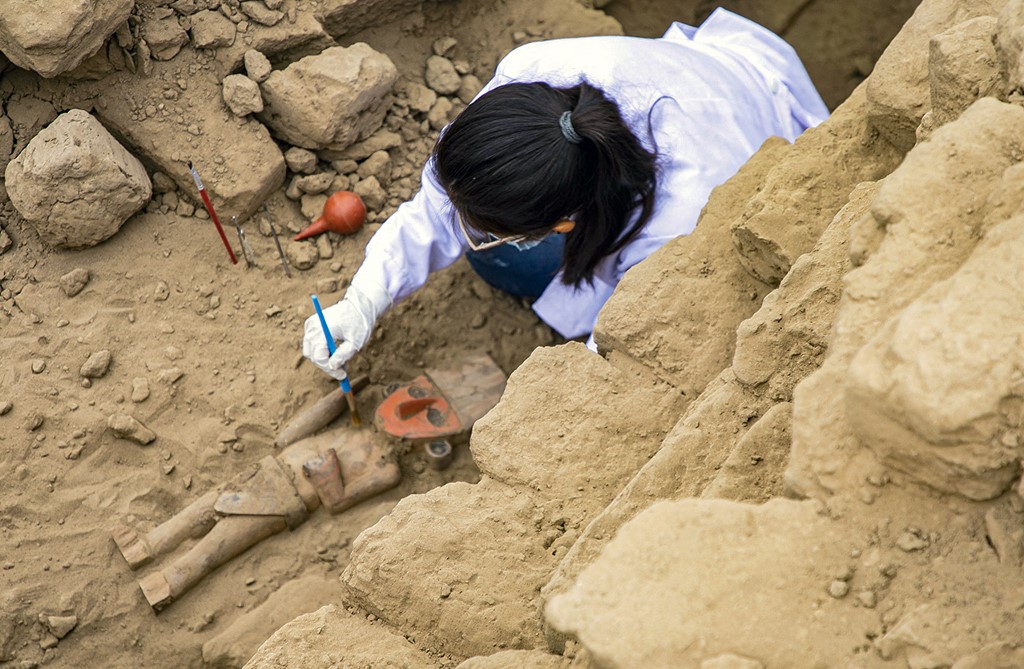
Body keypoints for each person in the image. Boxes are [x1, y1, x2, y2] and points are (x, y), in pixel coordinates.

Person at [302, 8, 829, 381]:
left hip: (755, 122)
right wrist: (363, 299)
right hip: (697, 79)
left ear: (561, 224)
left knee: (506, 266)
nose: (461, 225)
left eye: (489, 228)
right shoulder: (527, 81)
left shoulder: (681, 220)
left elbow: (631, 330)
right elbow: (436, 210)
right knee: (498, 260)